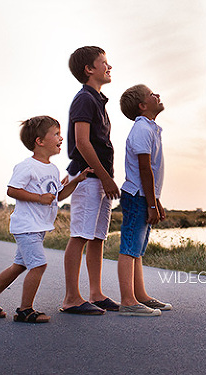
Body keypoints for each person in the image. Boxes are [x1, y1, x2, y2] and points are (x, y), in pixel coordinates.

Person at [0, 116, 90, 323]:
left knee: (19, 265)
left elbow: (57, 197)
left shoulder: (53, 169)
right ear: (40, 141)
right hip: (26, 225)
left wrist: (76, 181)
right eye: (56, 134)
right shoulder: (27, 166)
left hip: (38, 227)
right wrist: (38, 197)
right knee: (38, 265)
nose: (61, 138)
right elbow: (12, 190)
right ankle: (25, 310)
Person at [60, 46, 121, 315]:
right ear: (89, 69)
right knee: (80, 236)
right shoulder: (84, 99)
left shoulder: (98, 100)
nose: (109, 67)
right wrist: (106, 177)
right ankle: (72, 298)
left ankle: (96, 293)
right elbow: (82, 142)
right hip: (89, 178)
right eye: (104, 63)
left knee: (97, 237)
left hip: (100, 179)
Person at [116, 84, 171, 317]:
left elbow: (152, 171)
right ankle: (128, 301)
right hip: (137, 195)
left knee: (137, 247)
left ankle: (140, 296)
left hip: (145, 196)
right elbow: (144, 168)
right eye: (151, 94)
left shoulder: (151, 128)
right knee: (130, 246)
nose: (157, 95)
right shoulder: (141, 129)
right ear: (142, 106)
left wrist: (156, 201)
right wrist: (150, 203)